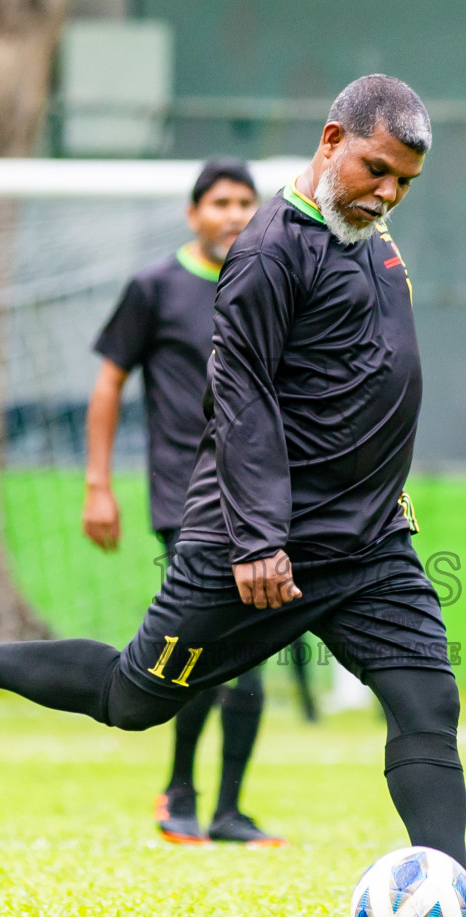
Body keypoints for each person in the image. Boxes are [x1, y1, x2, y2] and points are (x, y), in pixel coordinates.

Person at [0, 74, 466, 917]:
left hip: (369, 543)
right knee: (132, 699)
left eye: (404, 184)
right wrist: (259, 536)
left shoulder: (372, 241)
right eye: (376, 170)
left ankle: (457, 908)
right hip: (258, 541)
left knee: (426, 696)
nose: (387, 193)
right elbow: (239, 397)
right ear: (331, 140)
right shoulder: (271, 249)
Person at [83, 157, 289, 847]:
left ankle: (228, 811)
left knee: (246, 660)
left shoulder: (268, 281)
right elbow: (109, 382)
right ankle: (181, 793)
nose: (234, 215)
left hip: (258, 500)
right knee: (204, 654)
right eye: (221, 203)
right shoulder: (155, 288)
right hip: (187, 501)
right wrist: (98, 485)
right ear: (193, 213)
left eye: (245, 204)